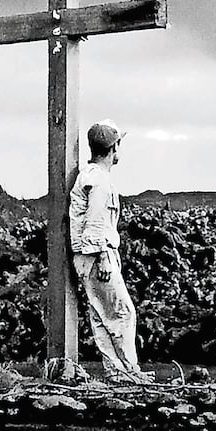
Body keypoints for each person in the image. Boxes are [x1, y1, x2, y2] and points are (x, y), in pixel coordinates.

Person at [69, 119, 153, 384]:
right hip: (96, 255)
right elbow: (95, 221)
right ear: (114, 147)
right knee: (122, 312)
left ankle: (117, 372)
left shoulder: (91, 176)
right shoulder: (99, 181)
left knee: (101, 316)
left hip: (89, 255)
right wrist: (104, 256)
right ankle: (129, 372)